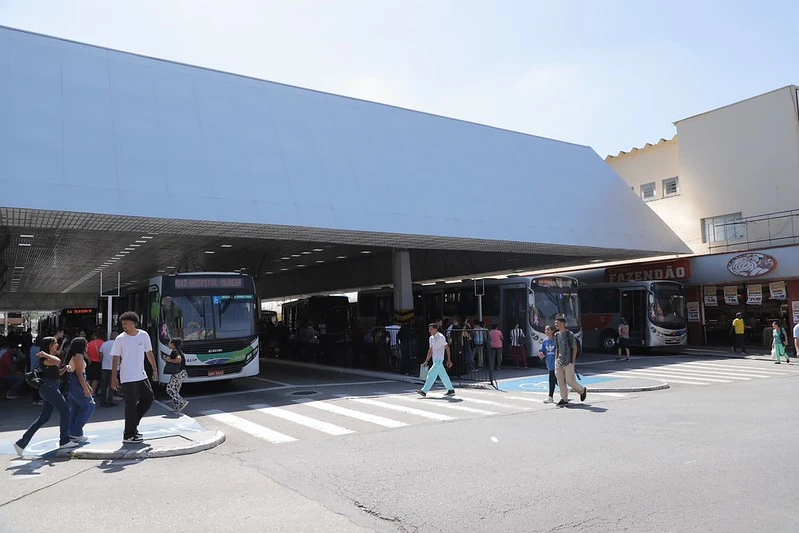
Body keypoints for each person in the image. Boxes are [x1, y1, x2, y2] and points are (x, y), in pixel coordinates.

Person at [14, 337, 79, 456]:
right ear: (50, 345)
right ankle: (64, 440)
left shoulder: (49, 359)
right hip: (50, 389)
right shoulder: (44, 359)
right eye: (55, 344)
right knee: (65, 411)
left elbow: (55, 374)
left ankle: (21, 443)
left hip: (50, 388)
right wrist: (45, 354)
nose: (57, 346)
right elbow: (58, 361)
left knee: (44, 417)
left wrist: (65, 370)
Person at [110, 311, 158, 443]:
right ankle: (129, 435)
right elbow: (115, 358)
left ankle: (133, 424)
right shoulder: (120, 338)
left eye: (126, 323)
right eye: (122, 324)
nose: (124, 326)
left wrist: (154, 369)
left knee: (149, 398)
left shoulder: (143, 335)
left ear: (133, 323)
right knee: (130, 405)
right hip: (128, 376)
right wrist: (114, 377)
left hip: (141, 374)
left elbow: (149, 352)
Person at [65, 337, 96, 442]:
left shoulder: (75, 355)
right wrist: (85, 388)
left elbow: (80, 373)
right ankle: (75, 431)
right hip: (76, 383)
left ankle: (72, 432)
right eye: (86, 344)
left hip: (74, 382)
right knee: (89, 405)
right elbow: (79, 374)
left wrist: (87, 385)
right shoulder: (78, 356)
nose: (87, 346)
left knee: (75, 408)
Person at [554, 316, 587, 406]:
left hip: (568, 361)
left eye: (557, 323)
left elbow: (575, 347)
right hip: (559, 362)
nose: (556, 324)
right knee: (560, 381)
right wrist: (556, 359)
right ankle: (564, 398)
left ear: (563, 323)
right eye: (555, 323)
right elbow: (557, 348)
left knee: (570, 381)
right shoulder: (556, 335)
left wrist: (573, 360)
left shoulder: (569, 334)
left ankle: (582, 390)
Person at [416, 323, 455, 397]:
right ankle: (450, 389)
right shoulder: (431, 338)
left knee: (431, 374)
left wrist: (449, 359)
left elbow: (447, 348)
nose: (429, 331)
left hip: (439, 360)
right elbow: (430, 350)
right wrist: (426, 360)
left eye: (431, 329)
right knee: (443, 375)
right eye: (429, 329)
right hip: (435, 360)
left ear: (435, 329)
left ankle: (424, 391)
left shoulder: (441, 337)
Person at [164, 337, 189, 411]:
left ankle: (182, 401)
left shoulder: (175, 351)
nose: (168, 344)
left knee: (169, 389)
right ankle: (177, 407)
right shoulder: (178, 350)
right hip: (182, 372)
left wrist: (169, 360)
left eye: (169, 343)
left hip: (177, 373)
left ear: (173, 344)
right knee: (175, 390)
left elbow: (178, 359)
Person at [539, 325, 557, 404]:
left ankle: (550, 396)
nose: (546, 331)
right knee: (555, 380)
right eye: (545, 330)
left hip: (556, 363)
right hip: (549, 363)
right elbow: (541, 350)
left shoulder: (556, 340)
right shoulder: (545, 341)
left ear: (552, 331)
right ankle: (565, 391)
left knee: (552, 379)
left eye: (548, 330)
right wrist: (541, 354)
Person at [86, 330, 105, 396]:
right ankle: (92, 392)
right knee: (95, 379)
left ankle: (87, 391)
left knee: (88, 378)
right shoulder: (103, 343)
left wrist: (88, 358)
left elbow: (85, 352)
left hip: (90, 362)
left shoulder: (89, 343)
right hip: (98, 362)